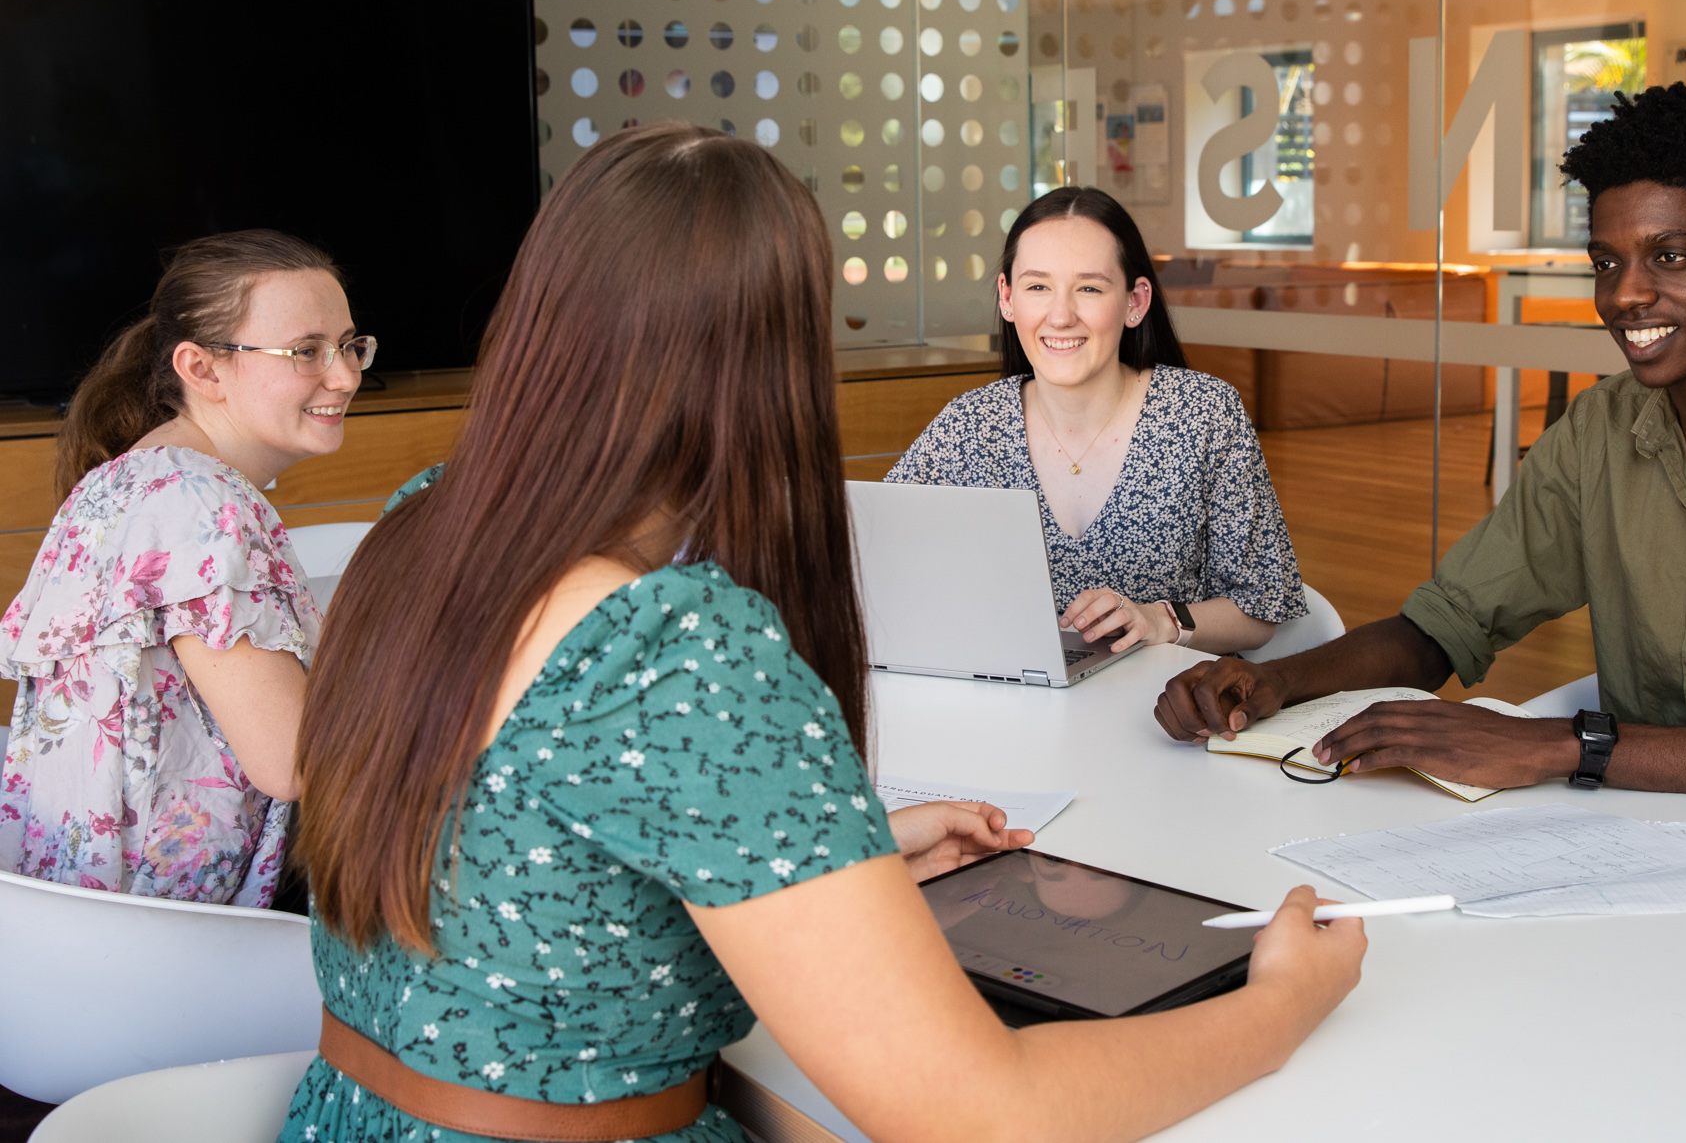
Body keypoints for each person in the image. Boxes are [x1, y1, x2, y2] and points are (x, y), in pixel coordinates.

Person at [283, 125, 1365, 1143]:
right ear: (774, 355)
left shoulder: (419, 525)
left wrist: (846, 846)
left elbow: (537, 830)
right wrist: (1277, 1003)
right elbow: (977, 1113)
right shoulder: (680, 646)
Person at [1154, 81, 1686, 845]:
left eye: (1672, 256)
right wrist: (1272, 683)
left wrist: (1562, 745)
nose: (1624, 295)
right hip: (1654, 856)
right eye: (1607, 261)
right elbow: (1443, 625)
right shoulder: (1602, 430)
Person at [0, 231, 371, 903]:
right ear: (201, 369)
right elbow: (294, 760)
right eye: (307, 351)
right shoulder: (201, 503)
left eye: (350, 345)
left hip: (73, 918)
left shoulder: (124, 478)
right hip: (176, 935)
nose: (345, 375)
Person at [888, 186, 1306, 657]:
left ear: (1135, 301)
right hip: (1012, 711)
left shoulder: (1206, 414)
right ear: (1007, 298)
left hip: (1168, 717)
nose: (1061, 315)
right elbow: (879, 561)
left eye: (1088, 288)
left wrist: (1159, 619)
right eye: (1037, 286)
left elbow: (1259, 610)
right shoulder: (967, 427)